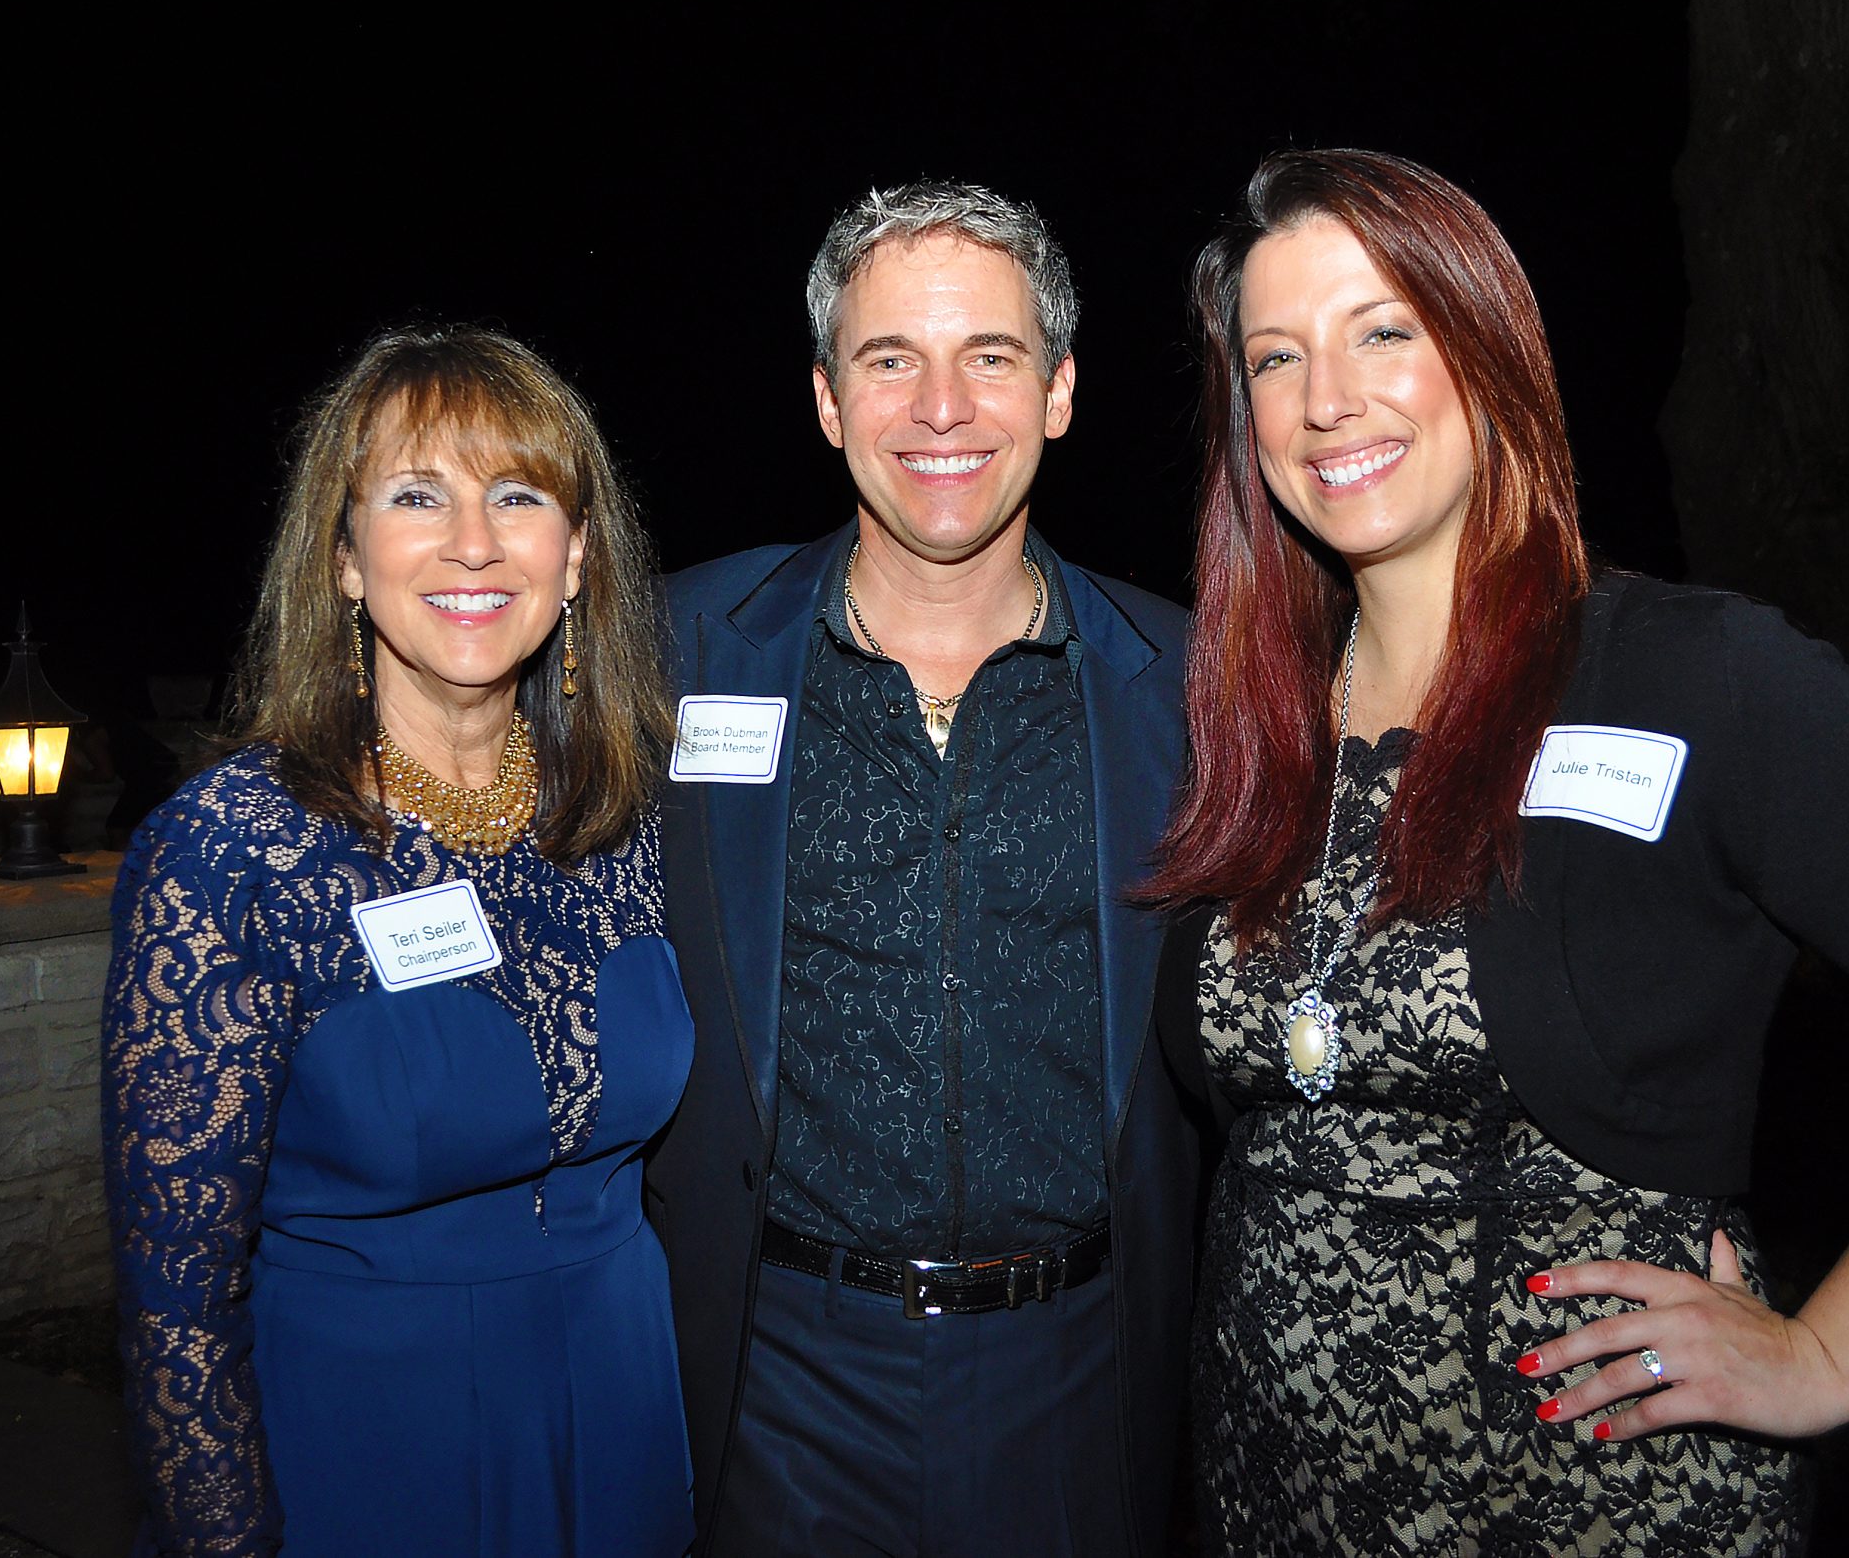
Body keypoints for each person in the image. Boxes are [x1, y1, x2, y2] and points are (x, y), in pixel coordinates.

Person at [1140, 149, 1849, 1556]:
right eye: (1273, 357)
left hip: (1590, 1499)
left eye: (1383, 331)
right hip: (1270, 1491)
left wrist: (1831, 1353)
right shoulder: (1250, 728)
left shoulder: (1691, 673)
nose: (1326, 398)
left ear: (1487, 352)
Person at [649, 182, 1198, 1557]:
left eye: (989, 357)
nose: (940, 408)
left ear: (1058, 391)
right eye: (890, 358)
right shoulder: (672, 652)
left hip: (1080, 1376)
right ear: (828, 400)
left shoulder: (1189, 683)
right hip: (776, 1382)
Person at [102, 327, 689, 1558]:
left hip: (621, 1402)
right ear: (344, 559)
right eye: (417, 496)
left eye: (517, 496)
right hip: (365, 1436)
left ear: (576, 554)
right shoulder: (235, 850)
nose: (473, 542)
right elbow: (175, 1296)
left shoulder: (630, 815)